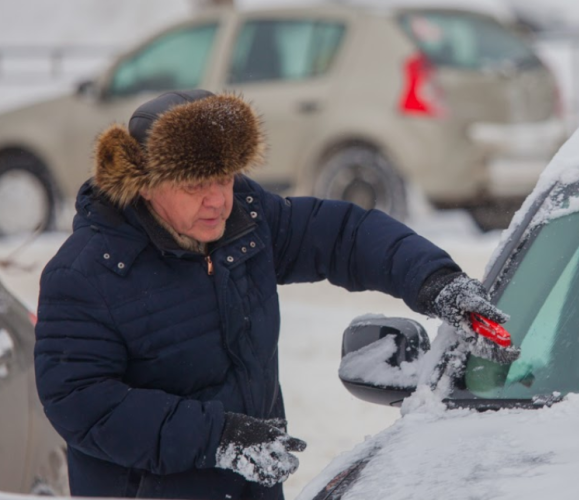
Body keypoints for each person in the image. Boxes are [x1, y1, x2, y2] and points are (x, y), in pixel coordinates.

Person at [34, 90, 511, 500]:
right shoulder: (85, 274)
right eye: (195, 184)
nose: (218, 199)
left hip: (253, 486)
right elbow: (82, 404)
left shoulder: (246, 220)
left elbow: (344, 235)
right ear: (145, 184)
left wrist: (435, 281)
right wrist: (218, 438)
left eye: (224, 178)